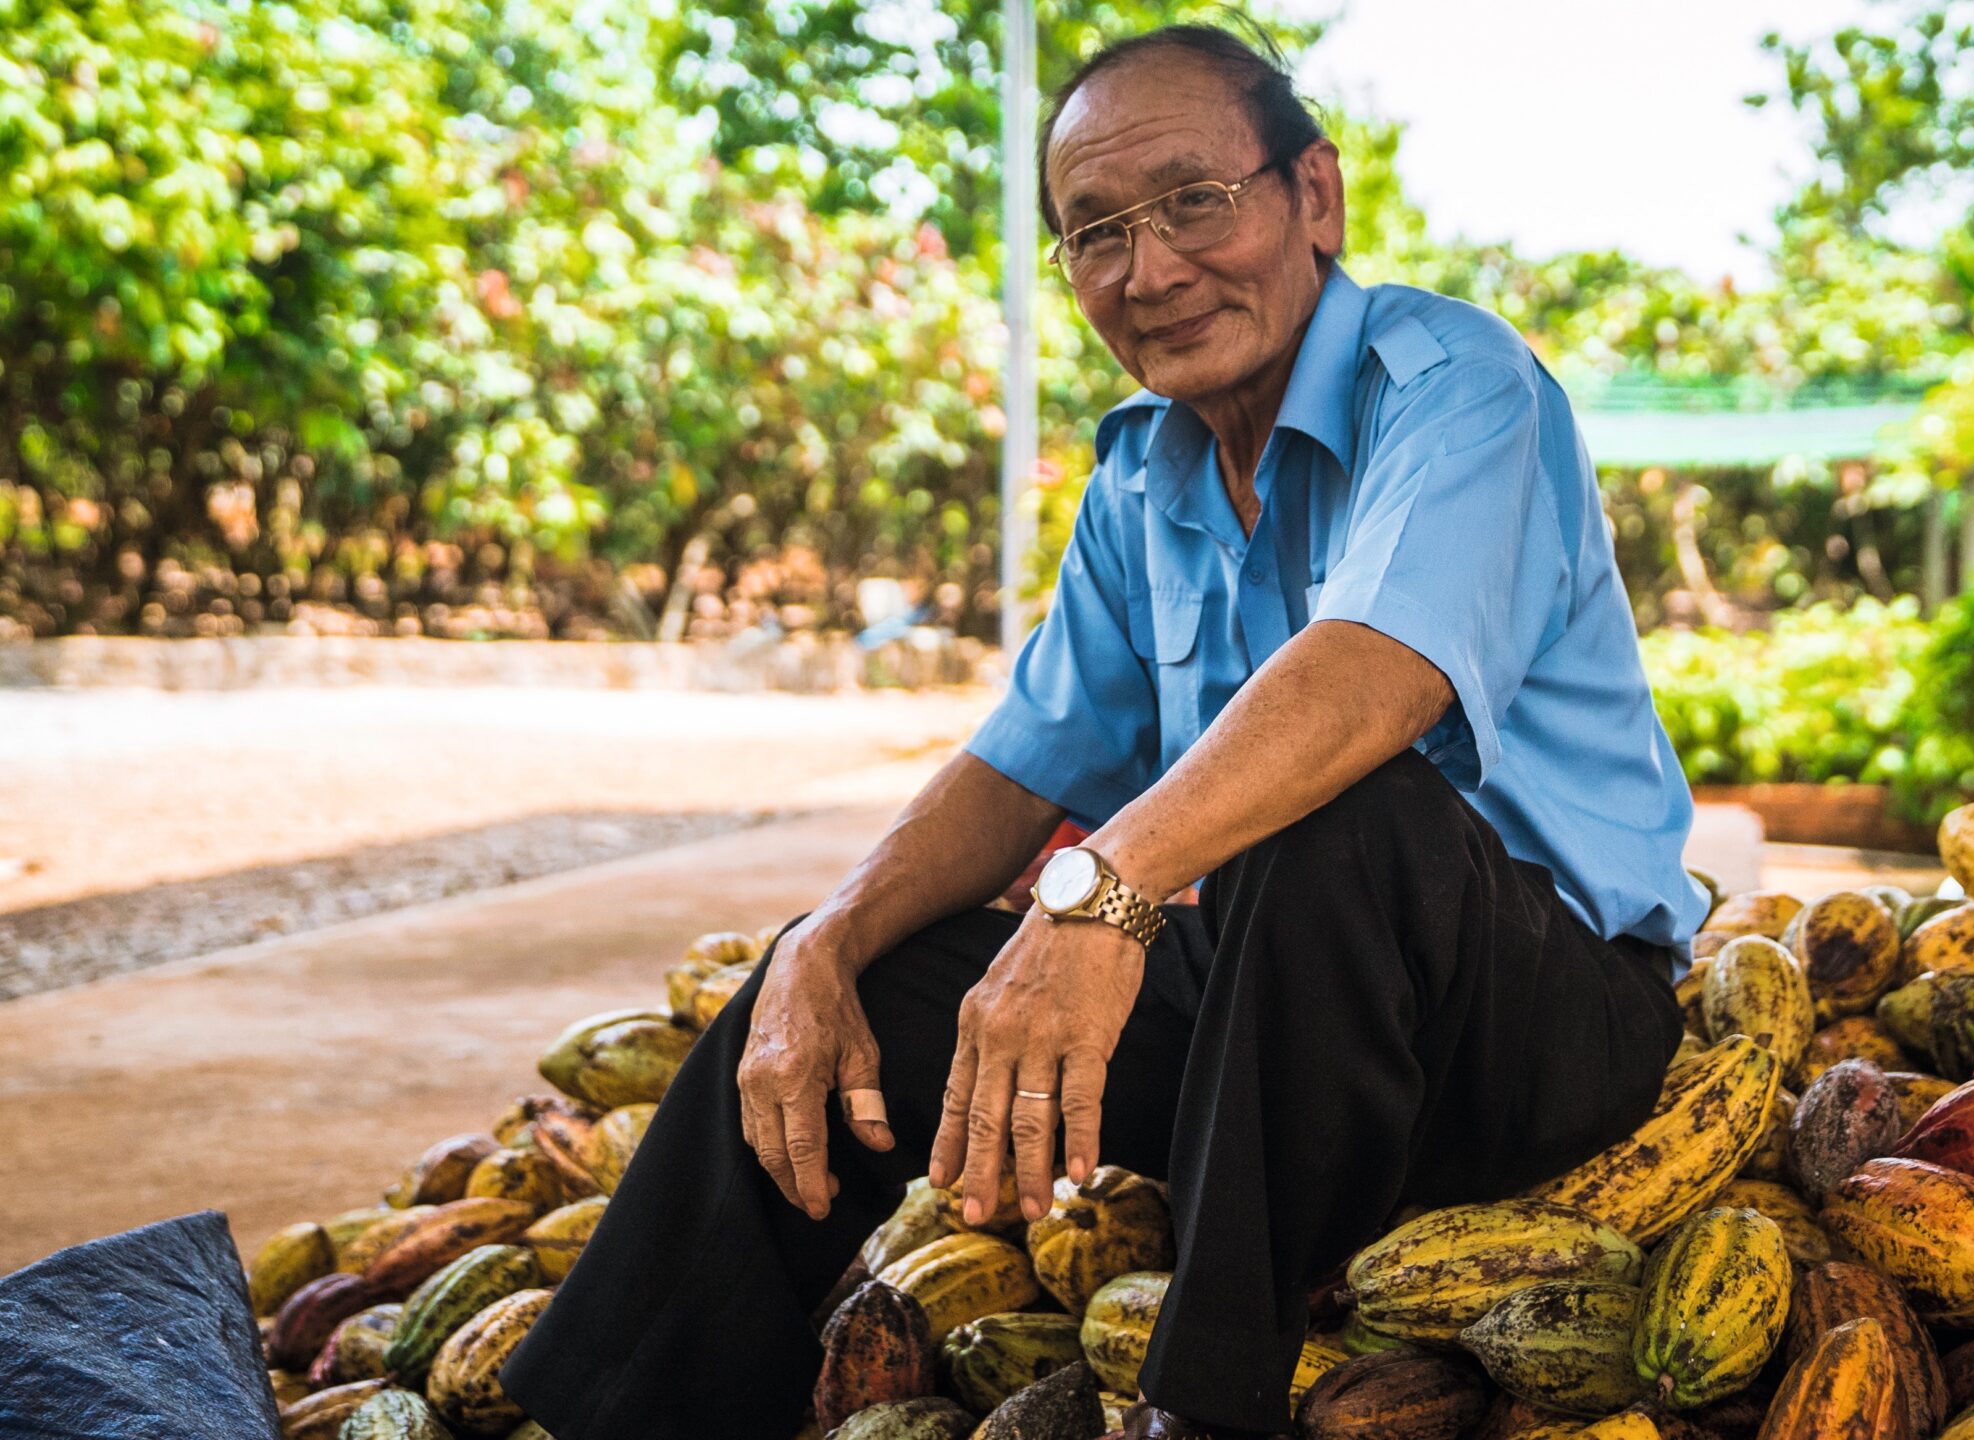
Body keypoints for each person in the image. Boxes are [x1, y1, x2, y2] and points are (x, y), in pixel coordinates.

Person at [501, 21, 1708, 1439]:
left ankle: (1206, 1406)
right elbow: (1026, 761)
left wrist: (1105, 892)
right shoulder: (1145, 471)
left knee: (1338, 809)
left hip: (1537, 1024)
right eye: (1095, 235)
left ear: (1313, 197)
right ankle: (633, 1412)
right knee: (854, 981)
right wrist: (827, 936)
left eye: (1196, 202)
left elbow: (1375, 679)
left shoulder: (1456, 386)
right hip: (1280, 1043)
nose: (1150, 271)